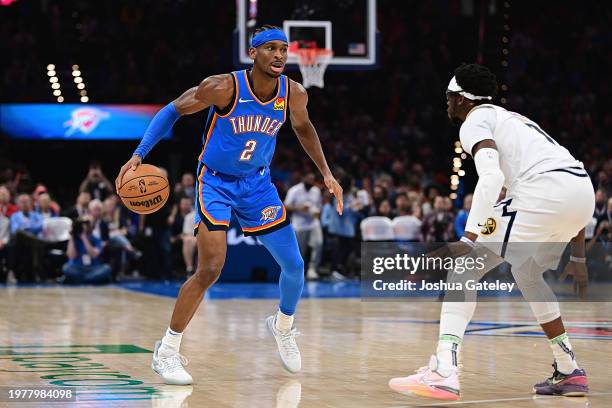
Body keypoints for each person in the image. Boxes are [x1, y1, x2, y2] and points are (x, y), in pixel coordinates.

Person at [115, 25, 343, 385]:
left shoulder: (293, 93)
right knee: (211, 269)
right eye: (271, 48)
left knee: (295, 265)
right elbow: (172, 111)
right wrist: (139, 154)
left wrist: (327, 174)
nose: (280, 55)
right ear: (253, 53)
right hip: (216, 183)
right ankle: (167, 351)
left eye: (284, 49)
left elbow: (304, 129)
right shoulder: (222, 87)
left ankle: (283, 326)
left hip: (258, 185)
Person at [389, 64, 594, 400]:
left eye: (448, 97)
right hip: (580, 194)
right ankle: (569, 369)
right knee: (527, 274)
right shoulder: (515, 120)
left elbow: (492, 178)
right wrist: (578, 256)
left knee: (463, 268)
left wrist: (468, 239)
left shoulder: (475, 121)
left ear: (460, 99)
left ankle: (444, 372)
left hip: (544, 193)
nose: (446, 104)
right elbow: (570, 185)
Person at [284, 173, 323, 280]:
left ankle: (313, 269)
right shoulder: (294, 190)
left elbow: (319, 206)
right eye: (309, 179)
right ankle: (300, 271)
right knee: (300, 250)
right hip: (299, 224)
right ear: (304, 178)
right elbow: (286, 205)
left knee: (318, 244)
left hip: (313, 223)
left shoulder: (316, 191)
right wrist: (299, 208)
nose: (311, 181)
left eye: (312, 179)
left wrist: (317, 213)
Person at [61, 217, 112, 284]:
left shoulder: (96, 240)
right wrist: (72, 236)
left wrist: (84, 237)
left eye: (86, 224)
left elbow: (94, 255)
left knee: (106, 268)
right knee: (66, 268)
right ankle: (90, 280)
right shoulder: (74, 240)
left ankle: (79, 280)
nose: (84, 227)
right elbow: (71, 256)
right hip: (77, 268)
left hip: (93, 268)